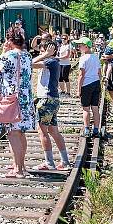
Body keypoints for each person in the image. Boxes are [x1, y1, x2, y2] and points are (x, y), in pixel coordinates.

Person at [0, 24, 35, 178]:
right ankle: (20, 166)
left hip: (11, 101)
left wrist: (3, 52)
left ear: (9, 40)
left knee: (13, 134)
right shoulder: (27, 55)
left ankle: (19, 170)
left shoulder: (8, 56)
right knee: (21, 134)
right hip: (26, 99)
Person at [32, 42, 72, 170]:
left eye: (43, 50)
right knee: (54, 131)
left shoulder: (50, 61)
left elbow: (29, 64)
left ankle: (49, 162)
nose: (40, 53)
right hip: (52, 99)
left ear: (50, 51)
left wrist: (45, 54)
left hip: (46, 99)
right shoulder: (53, 62)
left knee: (42, 130)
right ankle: (65, 161)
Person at [74, 37, 102, 137]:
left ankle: (86, 130)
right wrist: (100, 86)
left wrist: (78, 90)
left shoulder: (83, 58)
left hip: (86, 85)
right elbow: (99, 72)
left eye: (80, 46)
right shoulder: (96, 57)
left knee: (86, 108)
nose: (78, 47)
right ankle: (95, 130)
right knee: (95, 108)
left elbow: (81, 75)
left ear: (86, 47)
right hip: (96, 83)